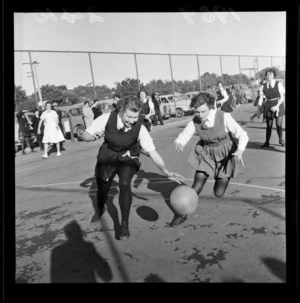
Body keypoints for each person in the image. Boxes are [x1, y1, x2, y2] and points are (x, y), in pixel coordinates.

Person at [81, 96, 184, 240]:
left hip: (128, 156)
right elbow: (85, 134)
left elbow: (152, 152)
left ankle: (124, 225)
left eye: (135, 117)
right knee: (102, 189)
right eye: (129, 116)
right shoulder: (106, 118)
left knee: (124, 183)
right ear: (121, 111)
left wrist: (166, 171)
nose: (132, 120)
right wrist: (90, 137)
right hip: (108, 154)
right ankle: (100, 208)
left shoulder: (140, 128)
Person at [171, 92, 249, 227]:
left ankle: (222, 177)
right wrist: (179, 142)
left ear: (211, 106)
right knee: (198, 180)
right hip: (207, 153)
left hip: (225, 153)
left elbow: (242, 134)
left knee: (218, 193)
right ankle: (183, 213)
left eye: (203, 111)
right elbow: (186, 133)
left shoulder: (223, 116)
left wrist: (240, 150)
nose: (200, 115)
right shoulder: (195, 120)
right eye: (197, 112)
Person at [257, 68, 285, 147]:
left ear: (273, 76)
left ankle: (281, 140)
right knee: (269, 125)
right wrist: (258, 110)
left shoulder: (278, 84)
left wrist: (276, 106)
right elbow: (260, 98)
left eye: (271, 75)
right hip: (268, 105)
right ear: (266, 76)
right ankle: (267, 142)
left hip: (278, 104)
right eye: (268, 75)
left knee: (279, 124)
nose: (269, 76)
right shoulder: (263, 86)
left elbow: (282, 97)